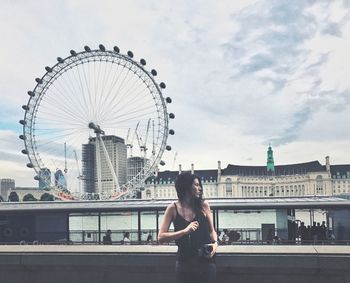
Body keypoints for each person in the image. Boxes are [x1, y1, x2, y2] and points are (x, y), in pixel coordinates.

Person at [158, 172, 218, 283]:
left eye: (200, 185)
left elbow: (212, 231)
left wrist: (215, 244)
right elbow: (161, 237)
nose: (200, 188)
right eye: (196, 185)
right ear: (186, 186)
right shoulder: (173, 208)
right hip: (184, 262)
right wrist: (185, 231)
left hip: (206, 262)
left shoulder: (204, 205)